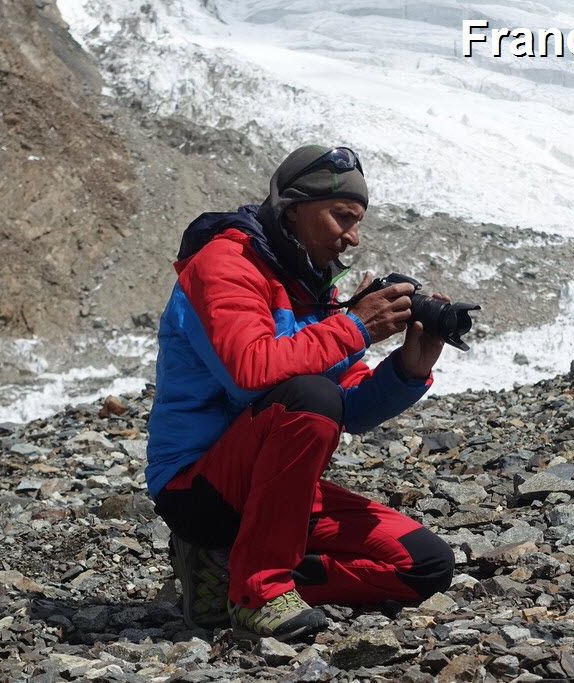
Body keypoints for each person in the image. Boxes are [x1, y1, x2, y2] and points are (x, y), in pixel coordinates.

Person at [145, 145, 456, 642]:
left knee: (425, 565)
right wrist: (356, 327)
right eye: (343, 217)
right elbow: (250, 371)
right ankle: (258, 593)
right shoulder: (225, 263)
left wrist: (409, 368)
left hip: (275, 490)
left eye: (357, 222)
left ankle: (226, 575)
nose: (352, 237)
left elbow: (349, 409)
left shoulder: (309, 286)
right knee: (309, 396)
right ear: (293, 208)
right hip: (197, 489)